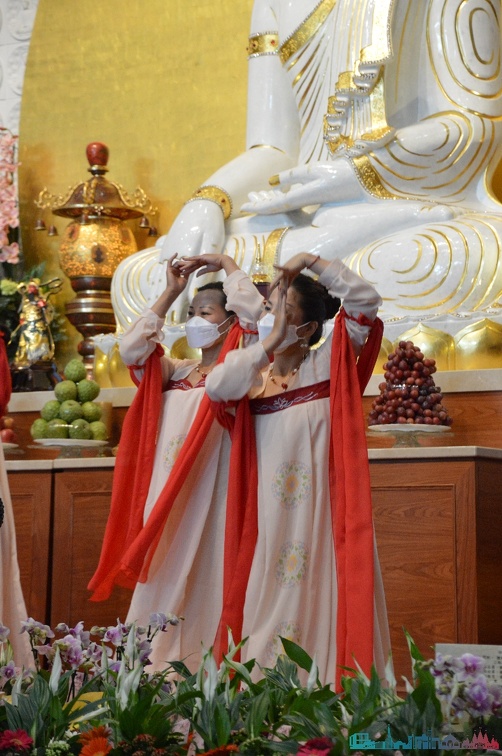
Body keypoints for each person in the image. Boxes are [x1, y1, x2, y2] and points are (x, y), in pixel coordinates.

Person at [112, 0, 502, 340]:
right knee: (138, 275)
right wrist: (206, 203)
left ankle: (294, 300)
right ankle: (293, 292)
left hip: (391, 202)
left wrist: (355, 174)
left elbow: (478, 126)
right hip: (300, 218)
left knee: (457, 255)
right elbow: (273, 149)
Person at [205, 252, 390, 688]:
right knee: (260, 597)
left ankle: (322, 695)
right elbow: (215, 387)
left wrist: (311, 260)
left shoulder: (327, 364)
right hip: (266, 523)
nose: (271, 318)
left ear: (307, 329)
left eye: (283, 312)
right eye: (269, 309)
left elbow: (365, 301)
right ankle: (261, 693)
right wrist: (267, 343)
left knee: (324, 594)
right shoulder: (251, 378)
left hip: (322, 518)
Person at [88, 254, 263, 671]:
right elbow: (132, 348)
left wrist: (225, 263)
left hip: (214, 496)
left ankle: (205, 671)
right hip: (166, 497)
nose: (195, 320)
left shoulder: (243, 373)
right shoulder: (173, 371)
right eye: (191, 313)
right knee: (162, 575)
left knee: (210, 577)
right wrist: (170, 292)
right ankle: (148, 670)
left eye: (206, 312)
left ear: (230, 321)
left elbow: (255, 314)